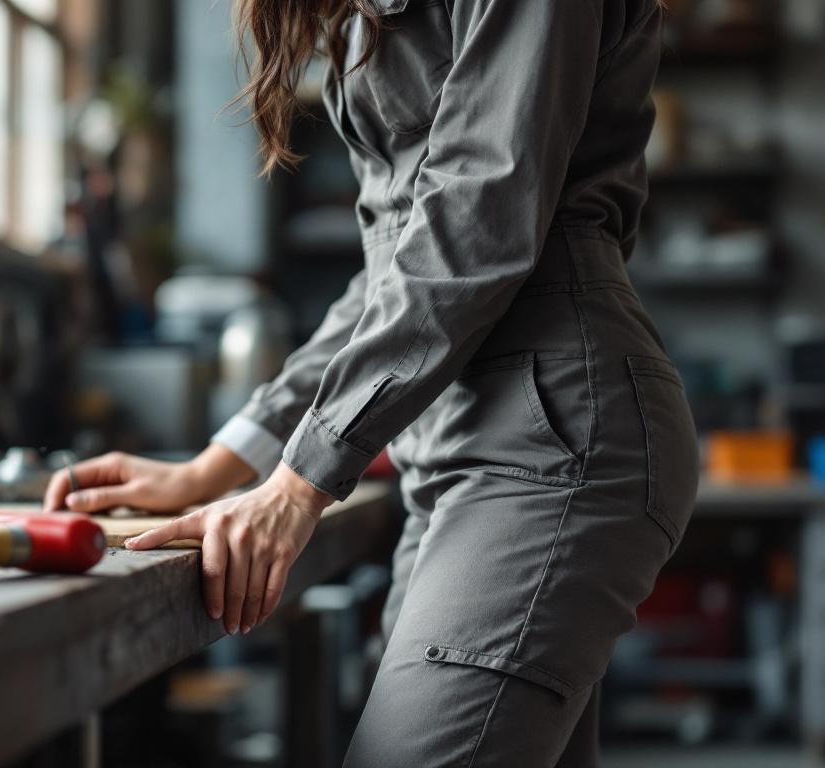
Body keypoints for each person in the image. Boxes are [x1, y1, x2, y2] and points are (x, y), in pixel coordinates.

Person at [44, 0, 698, 764]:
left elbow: (478, 223)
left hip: (552, 442)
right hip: (460, 454)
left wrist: (297, 487)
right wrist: (221, 466)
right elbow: (392, 277)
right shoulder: (365, 13)